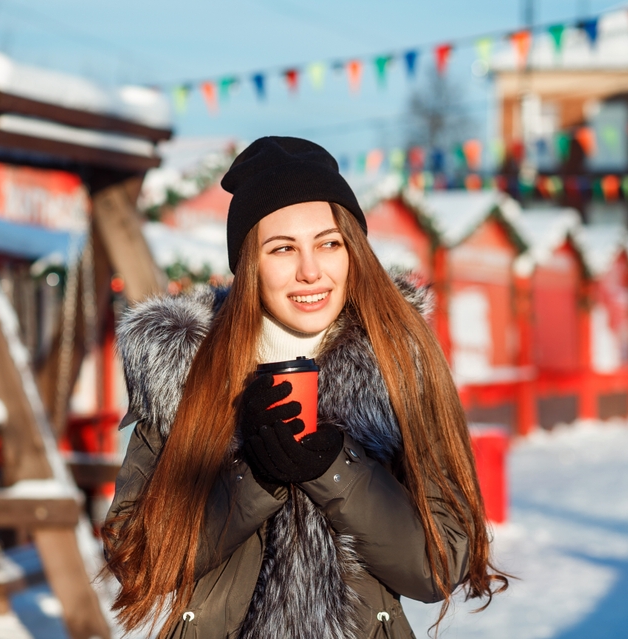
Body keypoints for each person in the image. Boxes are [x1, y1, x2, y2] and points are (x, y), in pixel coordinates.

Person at [103, 136, 507, 639]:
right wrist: (254, 478)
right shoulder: (185, 372)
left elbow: (441, 565)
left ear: (353, 250)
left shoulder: (399, 362)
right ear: (250, 263)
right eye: (282, 248)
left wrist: (336, 469)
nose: (310, 270)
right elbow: (139, 563)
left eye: (328, 243)